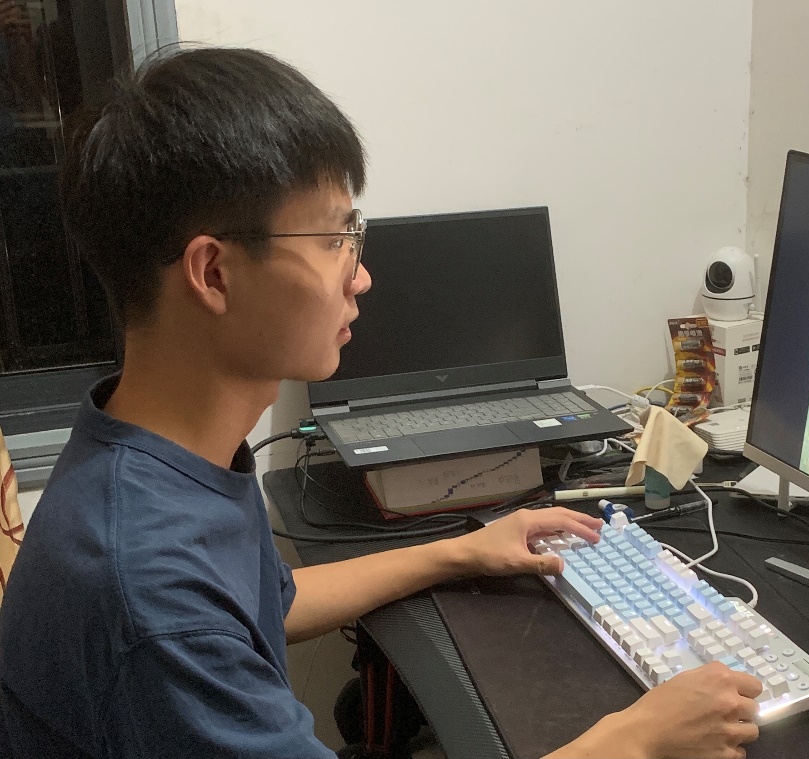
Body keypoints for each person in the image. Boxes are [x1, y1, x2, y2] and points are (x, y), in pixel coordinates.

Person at [0, 47, 761, 759]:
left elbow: (268, 601)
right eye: (335, 238)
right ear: (215, 273)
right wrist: (639, 738)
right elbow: (197, 617)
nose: (360, 276)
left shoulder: (155, 454)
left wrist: (462, 550)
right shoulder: (148, 590)